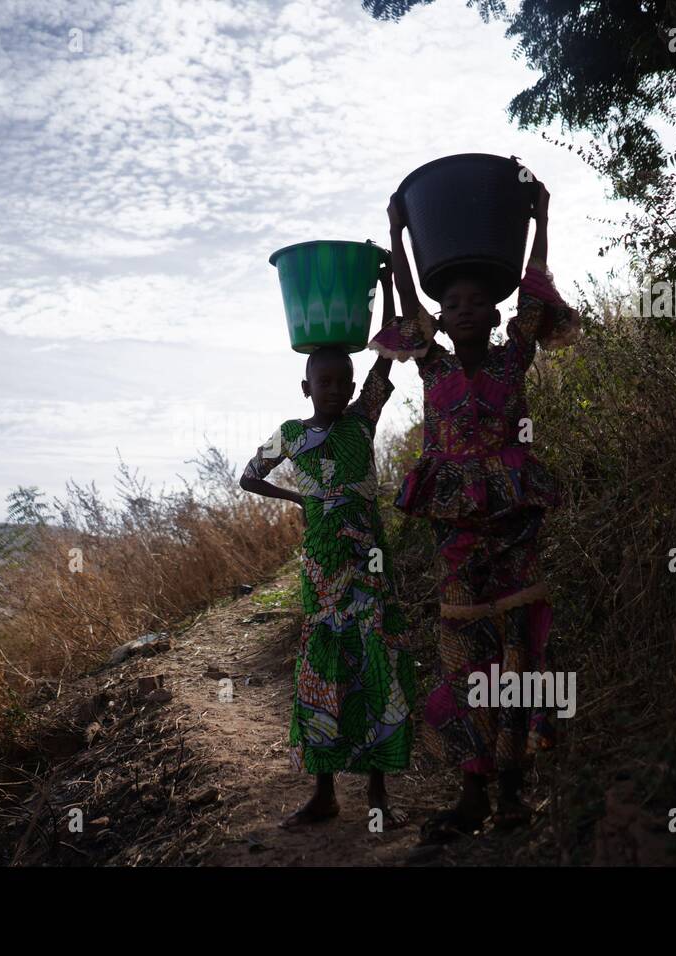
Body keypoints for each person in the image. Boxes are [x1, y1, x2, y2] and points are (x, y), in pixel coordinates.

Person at [370, 180, 579, 841]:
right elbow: (407, 302)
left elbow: (536, 282)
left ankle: (514, 794)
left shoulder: (515, 357)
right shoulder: (430, 367)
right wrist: (399, 231)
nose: (463, 310)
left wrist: (540, 215)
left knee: (521, 660)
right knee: (465, 664)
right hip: (459, 542)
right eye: (451, 302)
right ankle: (471, 792)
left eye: (477, 303)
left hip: (514, 531)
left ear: (495, 316)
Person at [240, 263, 416, 829]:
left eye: (344, 380)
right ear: (306, 386)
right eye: (327, 381)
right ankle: (323, 793)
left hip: (369, 568)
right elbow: (248, 474)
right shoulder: (293, 433)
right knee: (322, 668)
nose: (337, 389)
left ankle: (379, 794)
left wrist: (385, 286)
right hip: (320, 570)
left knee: (376, 665)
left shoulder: (364, 420)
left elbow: (388, 355)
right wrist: (301, 500)